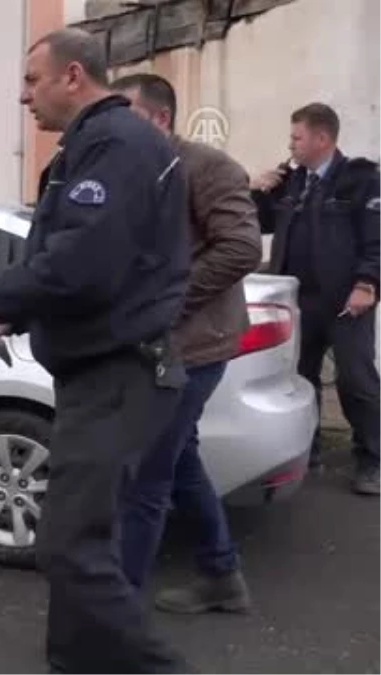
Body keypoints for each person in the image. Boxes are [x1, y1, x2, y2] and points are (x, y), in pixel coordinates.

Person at [0, 29, 192, 673]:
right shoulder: (95, 146)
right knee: (81, 544)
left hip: (119, 373)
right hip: (103, 370)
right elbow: (83, 270)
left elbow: (83, 265)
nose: (24, 97)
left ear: (72, 76)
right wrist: (9, 316)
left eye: (32, 81)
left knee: (70, 549)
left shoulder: (116, 144)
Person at [111, 73, 262, 614]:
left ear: (160, 118)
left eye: (124, 112)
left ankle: (113, 615)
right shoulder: (133, 172)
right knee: (178, 460)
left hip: (194, 346)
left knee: (146, 471)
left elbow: (243, 248)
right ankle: (221, 575)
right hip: (149, 344)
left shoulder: (207, 166)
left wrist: (167, 303)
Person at [250, 103, 381, 495]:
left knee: (356, 380)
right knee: (297, 381)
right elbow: (261, 224)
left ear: (322, 138)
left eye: (297, 137)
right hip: (298, 300)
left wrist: (367, 284)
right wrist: (258, 192)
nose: (290, 144)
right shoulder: (290, 180)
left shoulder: (360, 180)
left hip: (346, 301)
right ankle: (308, 452)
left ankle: (373, 459)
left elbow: (376, 240)